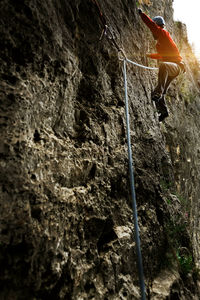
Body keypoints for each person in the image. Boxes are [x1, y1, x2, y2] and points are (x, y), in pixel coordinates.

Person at [138, 9, 185, 122]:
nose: (152, 33)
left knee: (163, 66)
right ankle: (164, 112)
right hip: (172, 69)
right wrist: (148, 55)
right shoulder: (161, 42)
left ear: (158, 26)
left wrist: (142, 14)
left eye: (155, 29)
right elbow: (161, 55)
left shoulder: (163, 34)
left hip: (176, 66)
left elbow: (151, 26)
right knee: (160, 92)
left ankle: (159, 92)